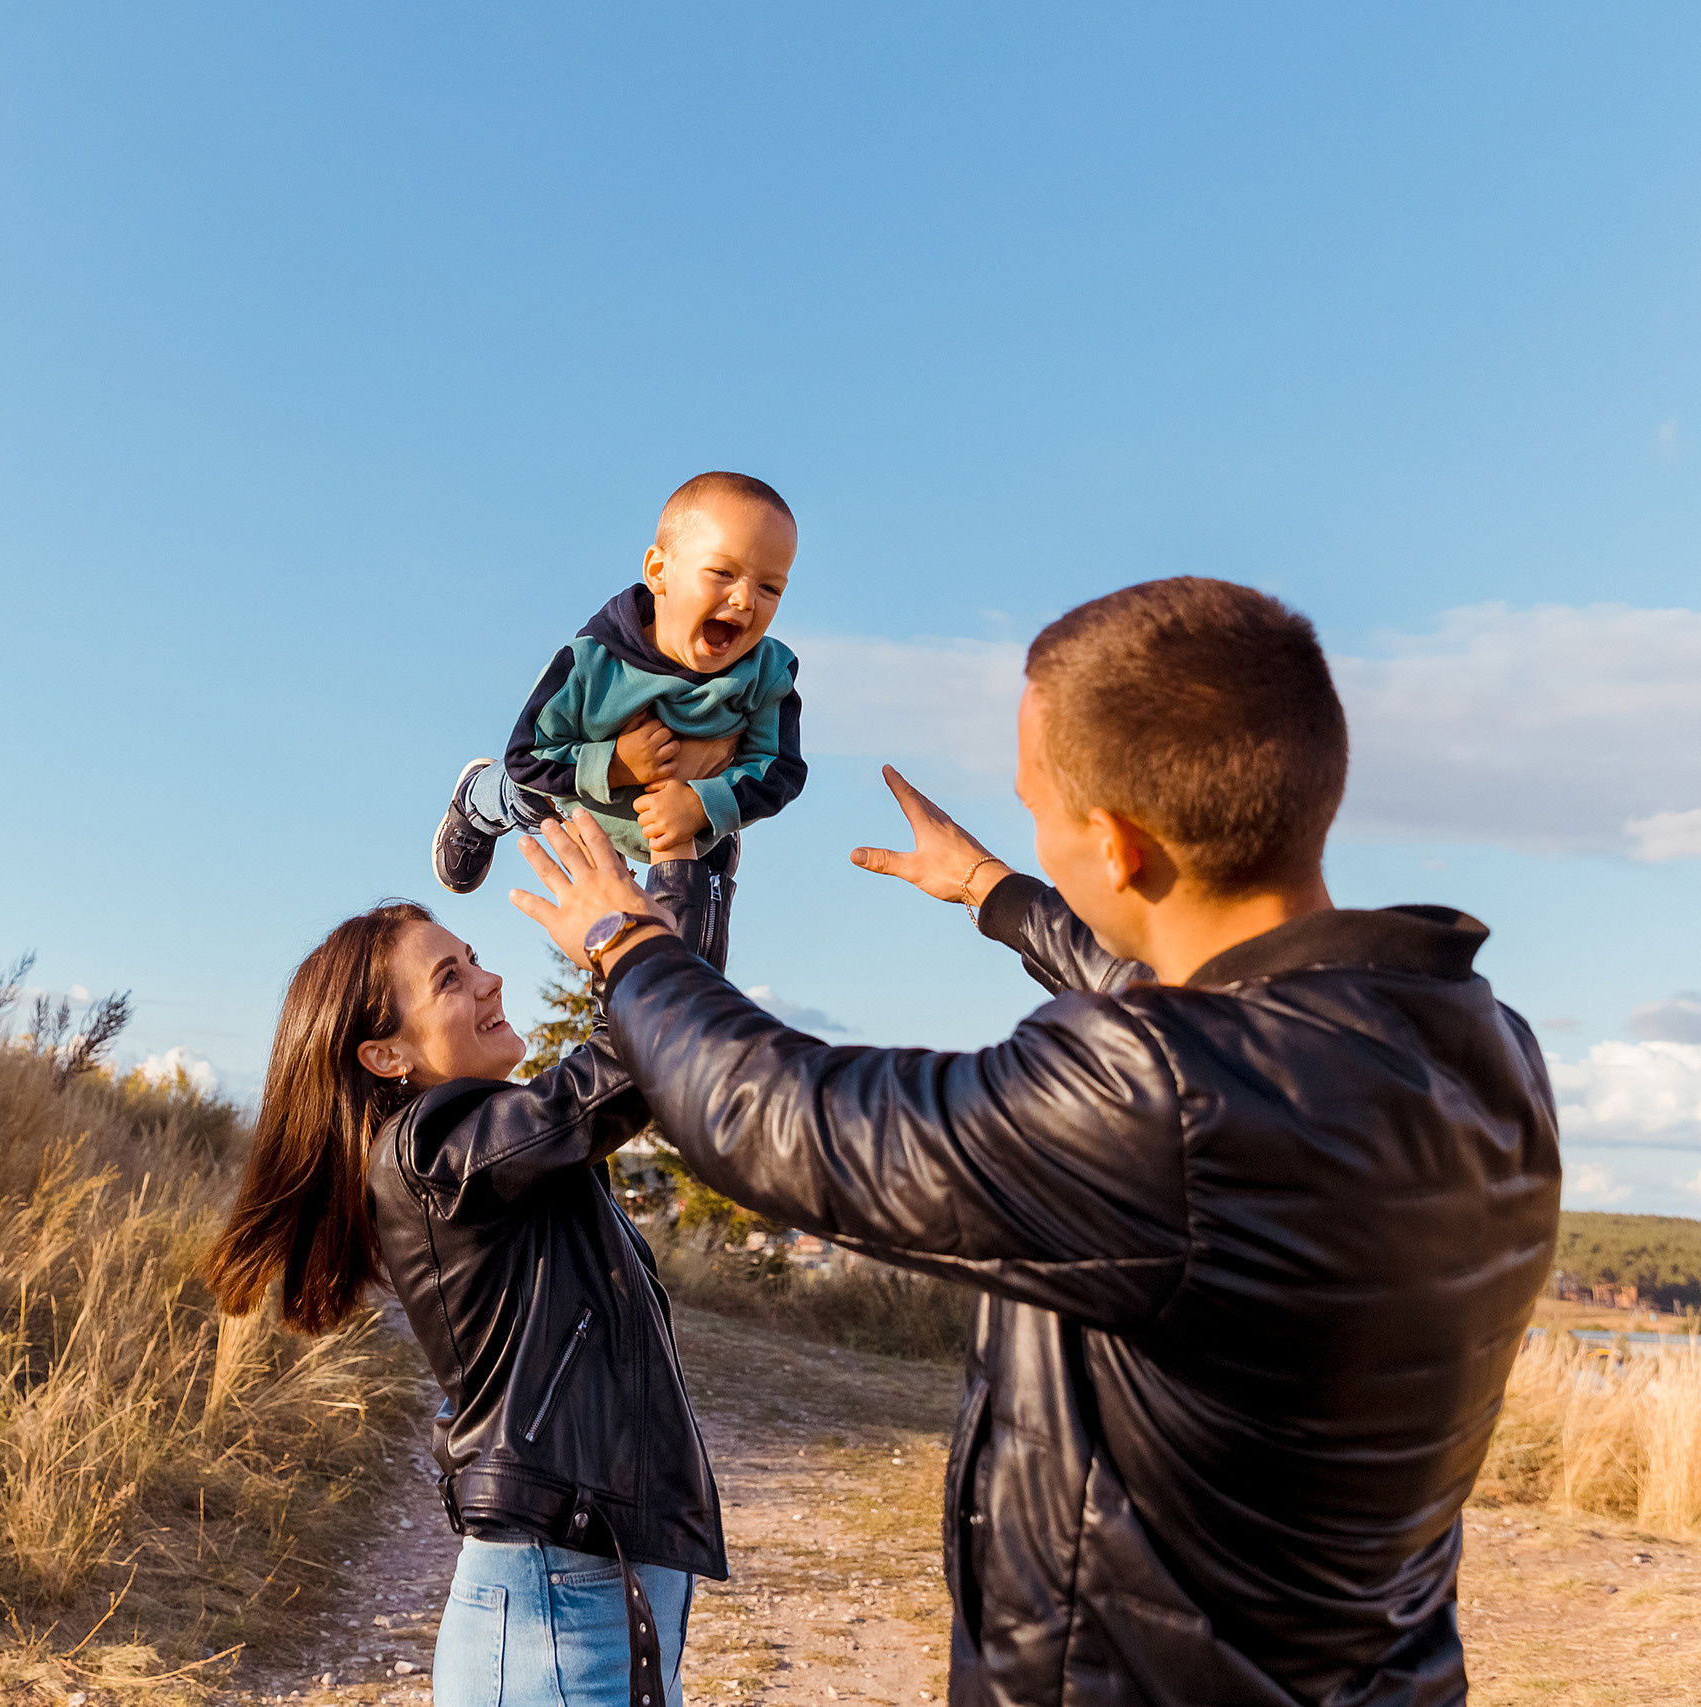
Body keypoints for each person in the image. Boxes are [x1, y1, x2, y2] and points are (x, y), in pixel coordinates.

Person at [509, 577, 1562, 1707]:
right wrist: (992, 891)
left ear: (1115, 843)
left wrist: (630, 943)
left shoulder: (1162, 1099)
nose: (1038, 837)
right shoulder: (1479, 1047)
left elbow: (779, 1118)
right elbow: (1193, 1014)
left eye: (1038, 810)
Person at [201, 849, 737, 1707]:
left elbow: (674, 1041)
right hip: (557, 1611)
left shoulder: (493, 1156)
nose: (490, 980)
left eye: (474, 958)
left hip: (593, 1594)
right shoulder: (430, 1149)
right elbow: (625, 1070)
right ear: (386, 1055)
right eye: (450, 978)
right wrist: (641, 907)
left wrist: (699, 851)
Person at [431, 471, 806, 895]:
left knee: (696, 893)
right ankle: (475, 804)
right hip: (575, 799)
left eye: (770, 588)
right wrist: (616, 765)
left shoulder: (767, 674)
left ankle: (712, 841)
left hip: (681, 819)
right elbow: (526, 756)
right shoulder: (590, 663)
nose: (744, 600)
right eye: (722, 572)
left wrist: (705, 805)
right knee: (523, 793)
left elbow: (781, 769)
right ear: (659, 571)